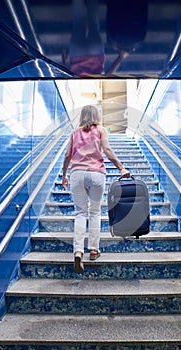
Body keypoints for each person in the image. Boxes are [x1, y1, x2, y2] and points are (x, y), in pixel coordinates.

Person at [62, 105, 130, 273]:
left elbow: (67, 155)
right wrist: (121, 167)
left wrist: (64, 174)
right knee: (94, 212)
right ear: (96, 116)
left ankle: (78, 250)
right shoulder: (100, 130)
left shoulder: (74, 133)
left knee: (80, 213)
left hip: (77, 174)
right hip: (96, 174)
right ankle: (93, 249)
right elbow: (106, 150)